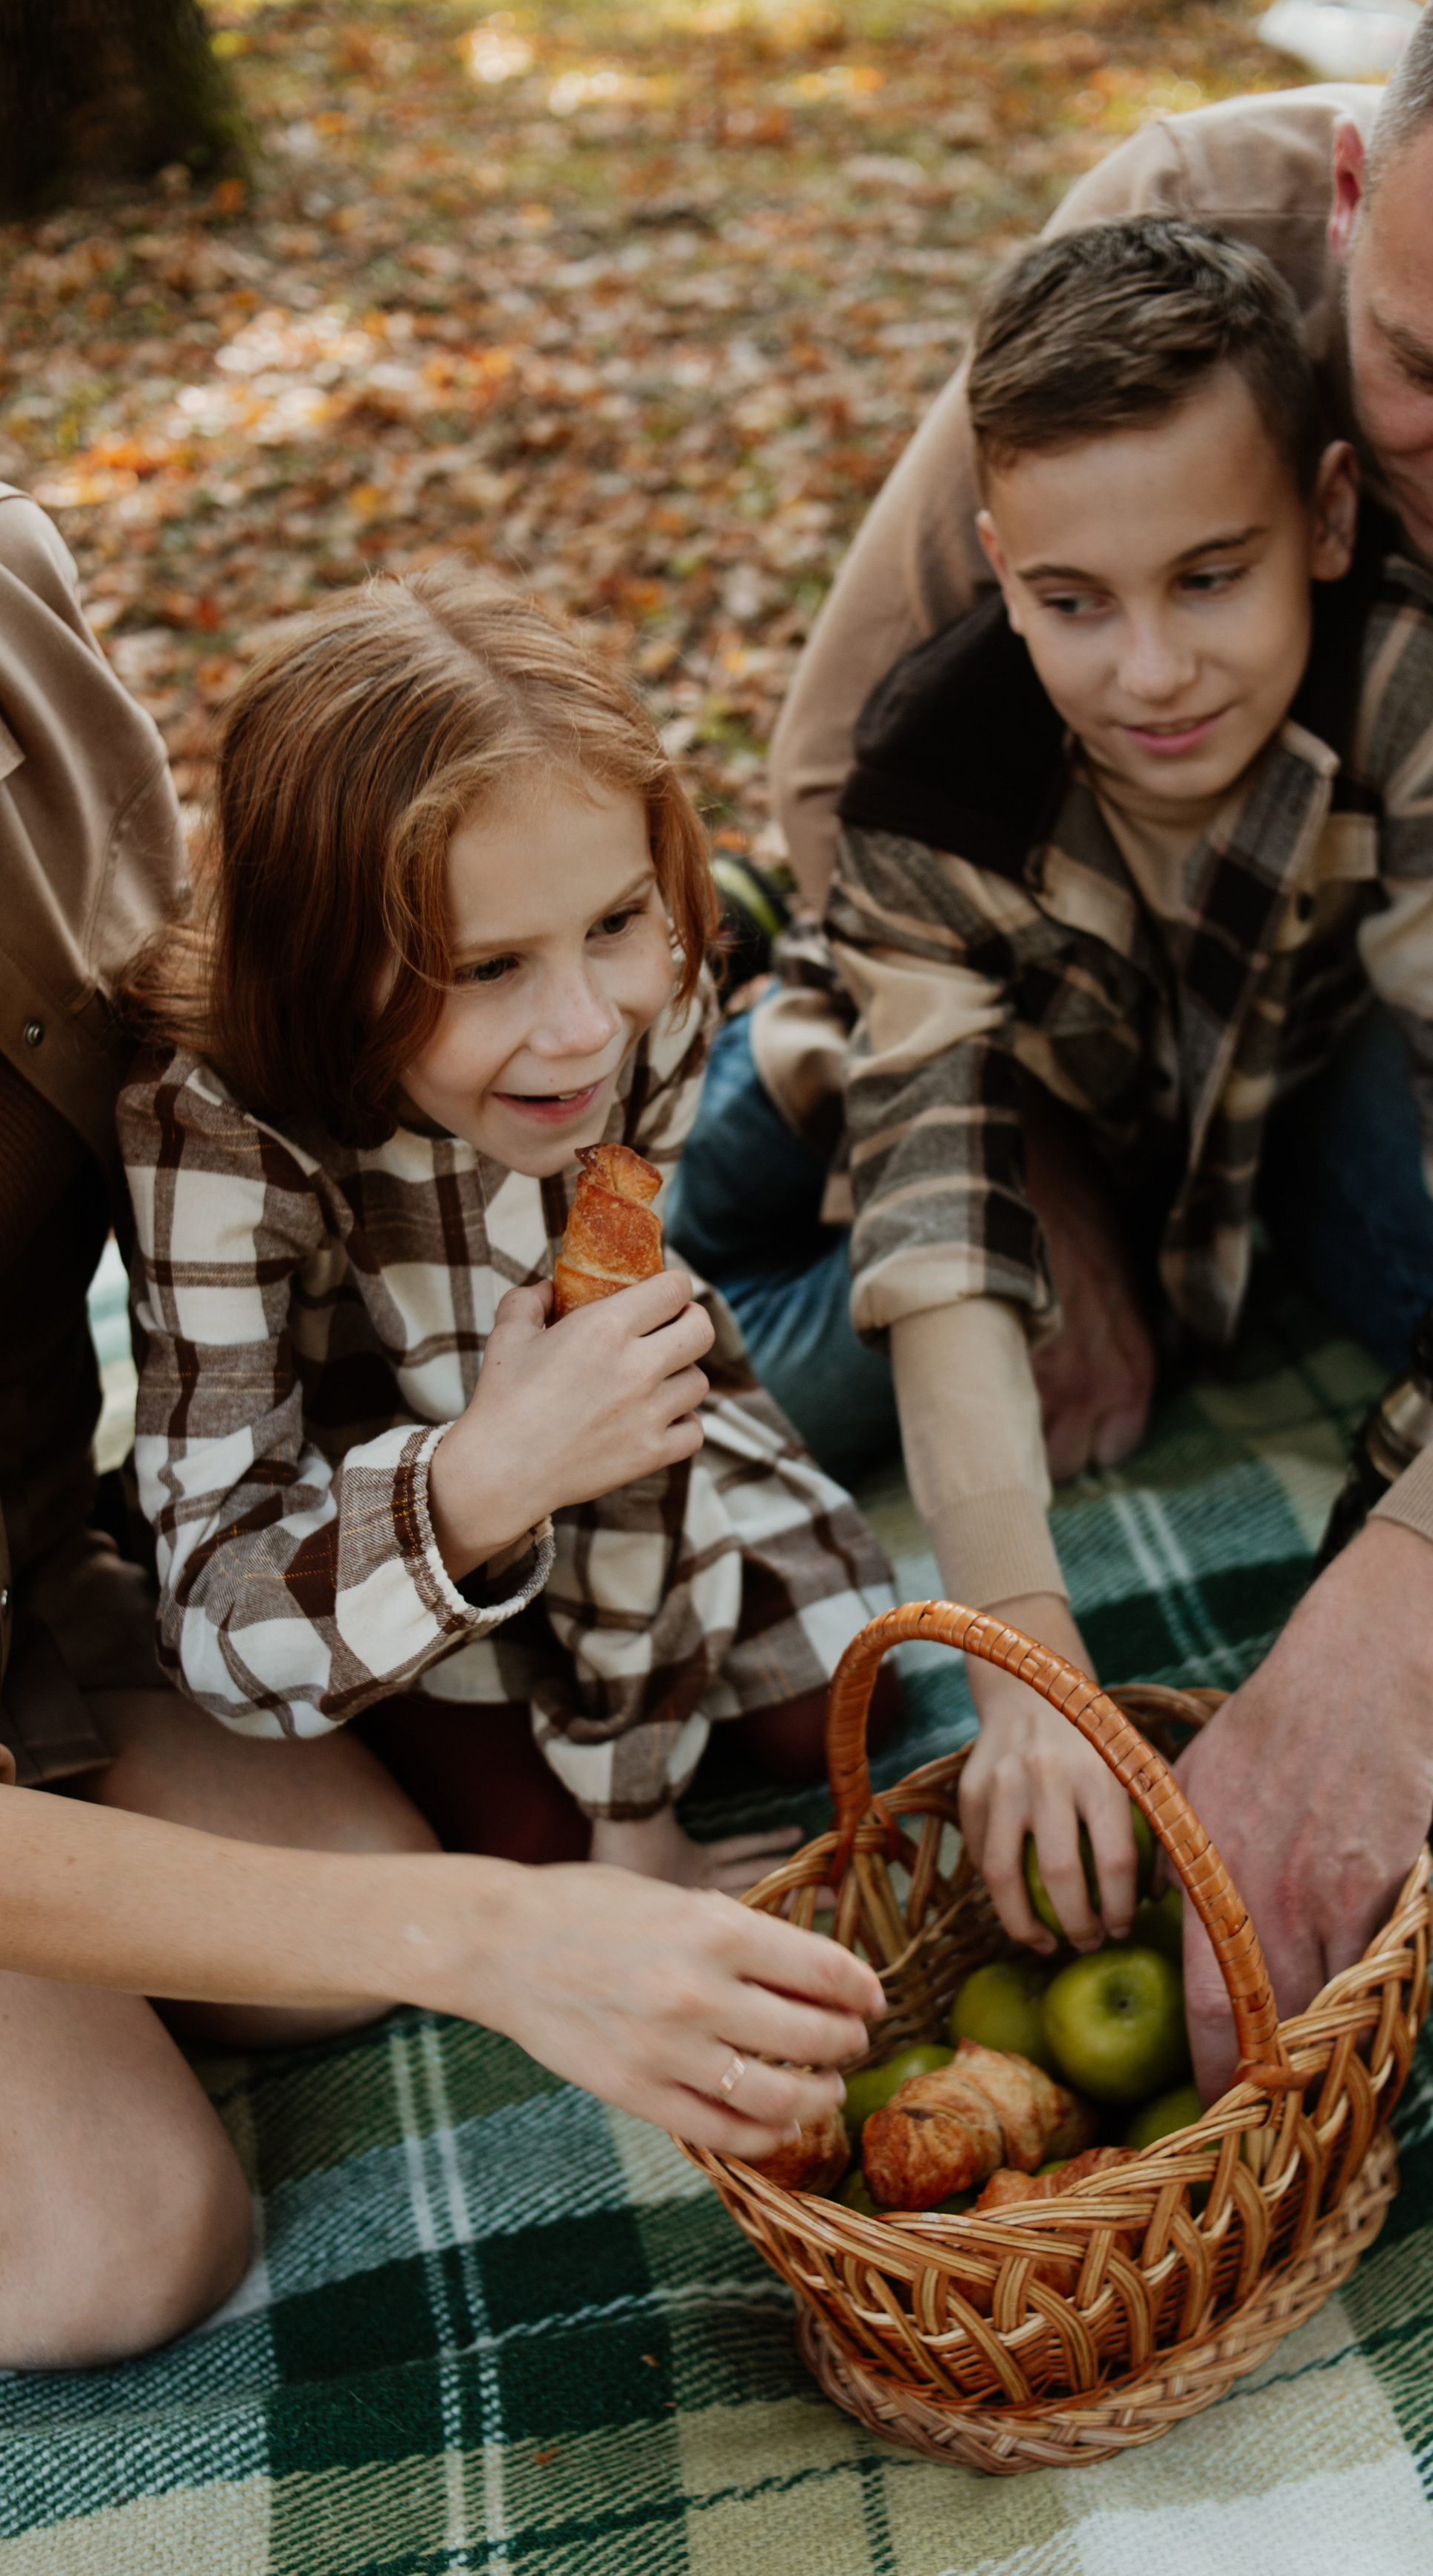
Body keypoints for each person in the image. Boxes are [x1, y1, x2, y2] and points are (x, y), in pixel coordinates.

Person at [0, 320, 882, 2366]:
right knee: (113, 2241)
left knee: (323, 1944)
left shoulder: (10, 586)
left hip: (18, 1560)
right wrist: (510, 1928)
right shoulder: (225, 1123)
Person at [754, 0, 1433, 2088]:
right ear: (1347, 198)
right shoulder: (1176, 244)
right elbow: (841, 802)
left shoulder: (1415, 723)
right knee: (810, 1261)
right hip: (1064, 979)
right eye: (1422, 373)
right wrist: (1036, 1162)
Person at [117, 565, 895, 1892]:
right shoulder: (210, 1127)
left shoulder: (647, 1010)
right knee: (537, 1844)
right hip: (376, 1511)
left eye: (613, 922)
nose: (585, 1028)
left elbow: (629, 1436)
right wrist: (484, 1480)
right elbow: (217, 1618)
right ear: (319, 959)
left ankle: (800, 1121)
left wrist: (635, 1789)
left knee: (833, 1714)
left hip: (607, 1456)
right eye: (487, 966)